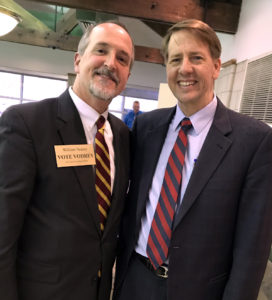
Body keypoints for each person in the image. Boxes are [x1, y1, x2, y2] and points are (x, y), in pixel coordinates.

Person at [113, 19, 272, 300]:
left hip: (200, 290)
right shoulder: (145, 128)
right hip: (135, 281)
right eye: (176, 59)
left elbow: (252, 247)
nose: (185, 68)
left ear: (216, 66)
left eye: (196, 57)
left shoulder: (254, 140)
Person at [0, 20, 134, 300]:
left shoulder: (122, 135)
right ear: (78, 60)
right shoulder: (27, 123)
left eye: (122, 59)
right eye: (101, 50)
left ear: (127, 74)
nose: (111, 63)